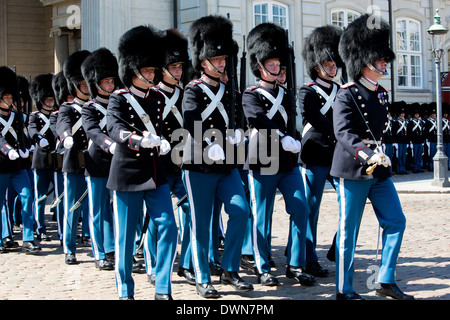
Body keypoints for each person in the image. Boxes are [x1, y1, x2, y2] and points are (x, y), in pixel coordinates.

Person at [332, 13, 414, 300]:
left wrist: (381, 155)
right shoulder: (347, 93)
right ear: (365, 61)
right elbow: (343, 132)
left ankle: (385, 279)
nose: (384, 62)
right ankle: (344, 288)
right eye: (379, 59)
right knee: (348, 232)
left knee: (395, 220)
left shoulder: (380, 94)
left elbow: (381, 132)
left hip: (378, 169)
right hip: (353, 169)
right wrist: (367, 154)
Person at [182, 15, 252, 298]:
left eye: (224, 59)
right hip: (199, 165)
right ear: (203, 62)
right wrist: (207, 143)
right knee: (201, 223)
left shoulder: (229, 91)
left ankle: (229, 268)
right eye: (216, 59)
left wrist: (239, 134)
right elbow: (190, 122)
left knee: (241, 210)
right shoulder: (193, 90)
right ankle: (202, 277)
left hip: (226, 165)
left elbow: (239, 120)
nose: (222, 64)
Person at [107, 25, 178, 300]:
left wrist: (166, 141)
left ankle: (163, 288)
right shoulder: (119, 98)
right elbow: (113, 128)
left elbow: (166, 127)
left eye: (153, 71)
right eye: (147, 71)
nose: (152, 75)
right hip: (128, 173)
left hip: (155, 173)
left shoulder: (159, 98)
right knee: (125, 240)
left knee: (168, 227)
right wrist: (138, 140)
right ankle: (125, 291)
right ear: (134, 71)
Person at [242, 22, 312, 287]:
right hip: (263, 158)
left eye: (278, 64)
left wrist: (294, 139)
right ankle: (262, 266)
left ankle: (296, 263)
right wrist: (282, 137)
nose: (277, 69)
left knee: (300, 208)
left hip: (288, 162)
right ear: (260, 67)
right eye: (271, 65)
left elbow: (290, 121)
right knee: (262, 215)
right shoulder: (251, 94)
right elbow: (257, 118)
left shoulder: (285, 93)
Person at [144, 28, 193, 285]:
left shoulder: (187, 94)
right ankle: (153, 266)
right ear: (162, 70)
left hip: (183, 165)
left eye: (180, 67)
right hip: (160, 165)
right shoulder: (152, 97)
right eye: (172, 67)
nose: (178, 71)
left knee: (191, 213)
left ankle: (186, 262)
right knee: (158, 220)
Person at [298, 25, 343, 278]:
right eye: (328, 65)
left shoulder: (341, 91)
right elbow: (312, 116)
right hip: (315, 152)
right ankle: (309, 258)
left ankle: (337, 247)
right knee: (311, 208)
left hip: (337, 155)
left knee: (347, 204)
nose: (333, 68)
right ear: (317, 67)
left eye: (334, 64)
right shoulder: (308, 90)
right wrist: (338, 133)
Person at [81, 48, 119, 270]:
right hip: (97, 162)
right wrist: (108, 143)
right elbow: (92, 132)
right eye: (105, 82)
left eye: (111, 81)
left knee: (116, 208)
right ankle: (99, 252)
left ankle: (115, 248)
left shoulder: (119, 103)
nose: (110, 85)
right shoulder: (89, 108)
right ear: (97, 83)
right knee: (98, 209)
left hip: (118, 162)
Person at [0, 66, 40, 254]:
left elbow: (27, 131)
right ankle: (4, 236)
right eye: (6, 97)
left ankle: (28, 237)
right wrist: (7, 149)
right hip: (1, 164)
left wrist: (32, 143)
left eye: (11, 97)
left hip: (18, 166)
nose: (10, 100)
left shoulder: (18, 117)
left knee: (27, 196)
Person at [56, 50, 92, 265]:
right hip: (74, 162)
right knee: (73, 206)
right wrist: (66, 136)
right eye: (83, 85)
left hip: (96, 162)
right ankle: (69, 248)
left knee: (99, 207)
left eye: (88, 84)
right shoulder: (67, 108)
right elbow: (62, 124)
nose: (87, 87)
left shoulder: (97, 107)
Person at [28, 73, 58, 242]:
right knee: (41, 197)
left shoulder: (57, 115)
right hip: (41, 160)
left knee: (59, 196)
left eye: (51, 100)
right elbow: (32, 129)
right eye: (46, 100)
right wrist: (39, 138)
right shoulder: (34, 116)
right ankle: (40, 227)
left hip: (56, 160)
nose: (49, 103)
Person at [50, 71, 74, 243]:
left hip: (91, 162)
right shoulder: (62, 111)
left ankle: (88, 234)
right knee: (70, 205)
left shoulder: (91, 108)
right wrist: (66, 136)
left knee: (93, 207)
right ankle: (68, 243)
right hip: (69, 160)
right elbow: (59, 128)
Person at [407, 108, 425, 173]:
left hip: (420, 141)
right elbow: (409, 133)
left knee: (419, 155)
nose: (417, 115)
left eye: (418, 114)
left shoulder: (420, 122)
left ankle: (419, 167)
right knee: (414, 155)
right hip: (414, 142)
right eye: (416, 114)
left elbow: (422, 132)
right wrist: (410, 142)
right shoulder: (411, 123)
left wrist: (423, 141)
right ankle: (415, 168)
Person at [394, 108, 408, 174]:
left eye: (403, 114)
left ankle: (403, 169)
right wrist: (395, 142)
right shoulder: (396, 123)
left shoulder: (405, 122)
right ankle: (399, 169)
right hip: (399, 141)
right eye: (401, 114)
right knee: (399, 156)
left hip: (404, 141)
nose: (402, 115)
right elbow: (394, 133)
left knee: (403, 156)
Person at [425, 106, 437, 171]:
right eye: (433, 114)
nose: (434, 115)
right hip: (430, 140)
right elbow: (426, 132)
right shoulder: (428, 122)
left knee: (436, 154)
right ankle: (431, 166)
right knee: (431, 154)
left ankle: (435, 166)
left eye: (435, 114)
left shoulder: (437, 122)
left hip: (436, 140)